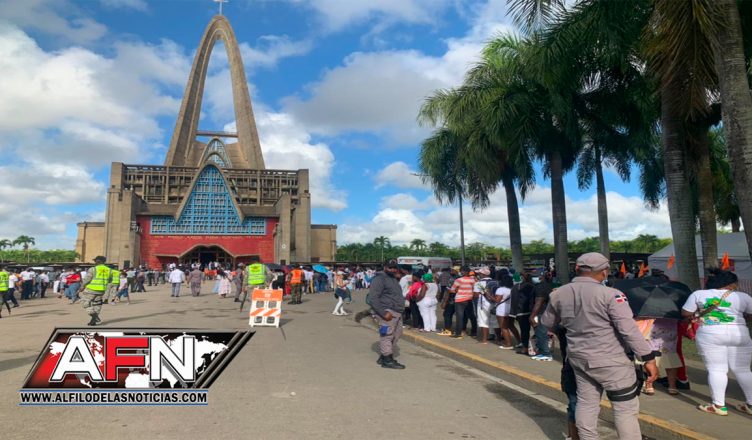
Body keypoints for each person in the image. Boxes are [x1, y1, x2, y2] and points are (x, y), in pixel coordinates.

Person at [542, 252, 658, 440]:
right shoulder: (611, 295)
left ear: (577, 268)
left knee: (586, 404)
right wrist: (648, 358)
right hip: (611, 361)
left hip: (578, 358)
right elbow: (628, 330)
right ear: (604, 271)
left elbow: (547, 322)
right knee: (624, 409)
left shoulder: (558, 294)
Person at [681, 268, 752, 416]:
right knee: (743, 370)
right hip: (739, 334)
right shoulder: (743, 296)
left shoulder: (699, 294)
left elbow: (685, 313)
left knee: (717, 369)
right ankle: (750, 404)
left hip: (710, 334)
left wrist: (697, 314)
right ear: (731, 284)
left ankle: (718, 406)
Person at [369, 260, 406, 369]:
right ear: (385, 267)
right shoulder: (379, 279)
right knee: (387, 335)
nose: (393, 269)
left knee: (397, 334)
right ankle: (387, 360)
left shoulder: (393, 278)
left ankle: (384, 355)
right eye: (390, 267)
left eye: (394, 267)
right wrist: (383, 313)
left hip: (397, 312)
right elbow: (373, 298)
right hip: (387, 312)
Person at [76, 256, 113, 326]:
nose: (94, 262)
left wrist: (82, 286)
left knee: (84, 302)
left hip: (91, 289)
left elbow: (87, 279)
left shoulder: (93, 269)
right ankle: (93, 321)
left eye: (95, 261)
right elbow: (110, 280)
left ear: (98, 261)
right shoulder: (109, 270)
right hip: (101, 290)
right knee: (97, 304)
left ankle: (94, 316)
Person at [529, 272, 554, 361]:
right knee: (542, 333)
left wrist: (532, 316)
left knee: (541, 333)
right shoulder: (548, 285)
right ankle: (543, 351)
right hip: (546, 312)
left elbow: (538, 302)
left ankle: (546, 354)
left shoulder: (540, 287)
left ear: (541, 277)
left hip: (540, 313)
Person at [510, 272, 535, 354]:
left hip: (522, 312)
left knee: (524, 331)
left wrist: (514, 313)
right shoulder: (534, 286)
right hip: (535, 311)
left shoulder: (516, 287)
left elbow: (514, 301)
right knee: (538, 331)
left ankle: (525, 348)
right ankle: (538, 348)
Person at [448, 266, 475, 339]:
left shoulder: (458, 280)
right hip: (469, 299)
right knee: (472, 316)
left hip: (459, 300)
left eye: (461, 271)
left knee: (459, 317)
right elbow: (474, 289)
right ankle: (474, 332)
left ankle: (458, 333)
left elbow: (452, 290)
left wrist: (456, 290)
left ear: (463, 272)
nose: (460, 272)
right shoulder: (473, 280)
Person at [474, 267, 500, 344]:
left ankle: (484, 340)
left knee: (483, 320)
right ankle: (498, 339)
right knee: (495, 321)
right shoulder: (496, 282)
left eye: (479, 273)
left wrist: (481, 292)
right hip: (495, 303)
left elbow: (476, 295)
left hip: (483, 303)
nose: (478, 275)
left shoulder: (478, 283)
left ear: (482, 274)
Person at [495, 273, 518, 349]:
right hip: (510, 310)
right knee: (511, 326)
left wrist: (487, 294)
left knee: (503, 327)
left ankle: (508, 344)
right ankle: (519, 341)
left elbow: (497, 300)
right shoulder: (512, 289)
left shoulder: (500, 289)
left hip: (501, 310)